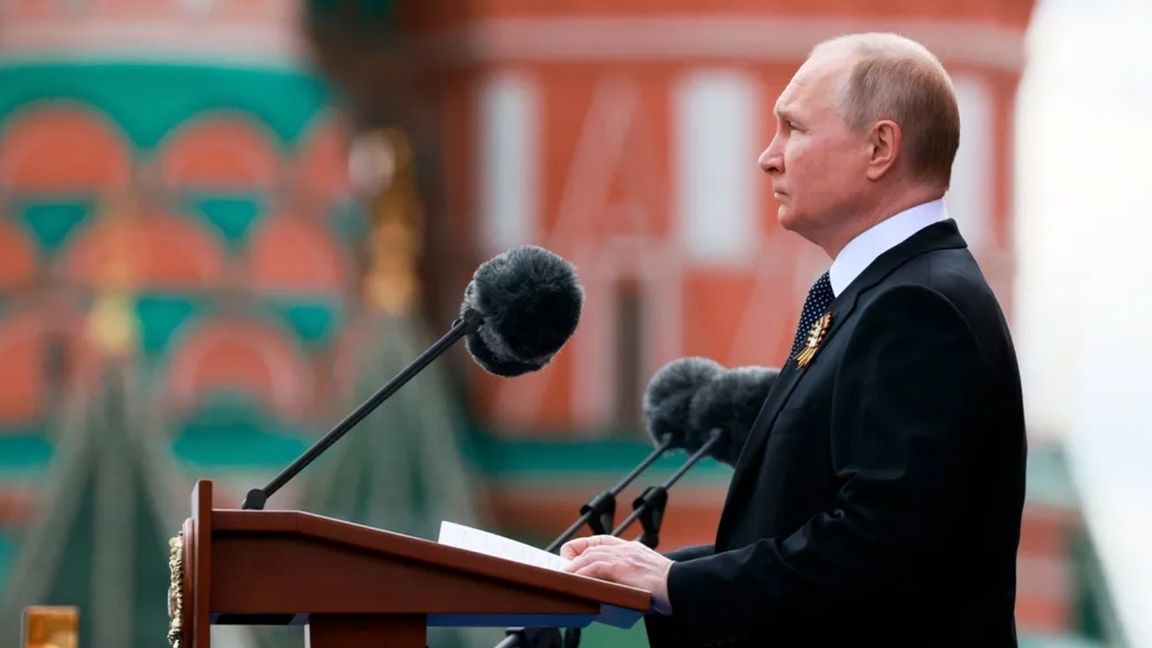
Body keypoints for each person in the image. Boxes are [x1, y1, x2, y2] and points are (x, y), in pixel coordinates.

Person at [561, 32, 1026, 646]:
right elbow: (803, 531)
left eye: (794, 129)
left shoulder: (918, 307)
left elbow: (874, 552)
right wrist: (651, 574)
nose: (768, 156)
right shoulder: (880, 294)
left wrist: (675, 585)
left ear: (880, 147)